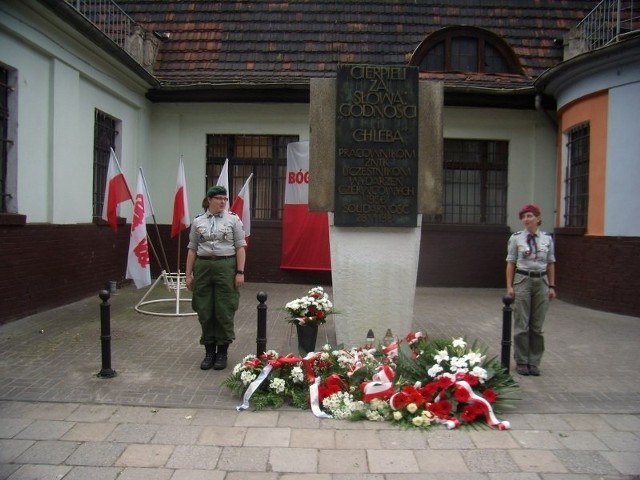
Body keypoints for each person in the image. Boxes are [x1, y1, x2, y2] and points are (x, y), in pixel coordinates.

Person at [185, 185, 247, 371]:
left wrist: (240, 272)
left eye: (225, 199)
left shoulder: (233, 220)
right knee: (204, 309)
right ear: (209, 200)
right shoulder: (198, 222)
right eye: (219, 198)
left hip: (225, 266)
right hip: (203, 267)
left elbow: (240, 247)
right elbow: (192, 249)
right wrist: (188, 275)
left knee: (224, 309)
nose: (222, 202)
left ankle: (222, 352)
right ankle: (209, 351)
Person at [505, 203, 556, 377]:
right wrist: (510, 286)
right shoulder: (516, 238)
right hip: (523, 280)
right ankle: (521, 361)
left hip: (541, 281)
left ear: (538, 218)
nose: (526, 219)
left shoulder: (547, 239)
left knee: (537, 326)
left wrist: (551, 286)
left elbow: (550, 263)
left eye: (530, 216)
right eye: (524, 217)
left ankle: (534, 362)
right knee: (521, 324)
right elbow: (510, 263)